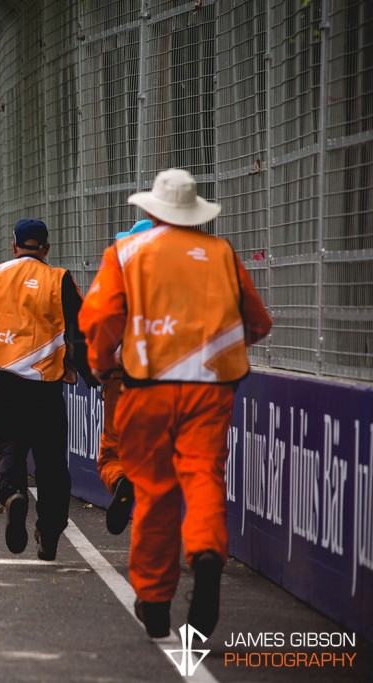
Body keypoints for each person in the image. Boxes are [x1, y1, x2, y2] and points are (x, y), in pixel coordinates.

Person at [79, 168, 272, 639]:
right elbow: (258, 323)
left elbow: (101, 317)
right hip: (211, 390)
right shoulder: (221, 254)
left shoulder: (128, 252)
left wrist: (103, 365)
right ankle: (206, 553)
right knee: (203, 475)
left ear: (151, 210)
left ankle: (155, 598)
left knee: (154, 491)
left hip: (146, 389)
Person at [0, 218, 98, 560]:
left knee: (11, 449)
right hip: (45, 388)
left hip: (4, 385)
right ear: (46, 248)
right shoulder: (58, 279)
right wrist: (94, 376)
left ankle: (13, 495)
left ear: (14, 245)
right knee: (51, 465)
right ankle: (49, 530)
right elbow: (80, 331)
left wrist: (0, 345)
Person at [97, 219, 152, 536]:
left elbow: (99, 335)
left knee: (111, 456)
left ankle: (120, 482)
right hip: (178, 382)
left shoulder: (118, 284)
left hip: (122, 380)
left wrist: (99, 366)